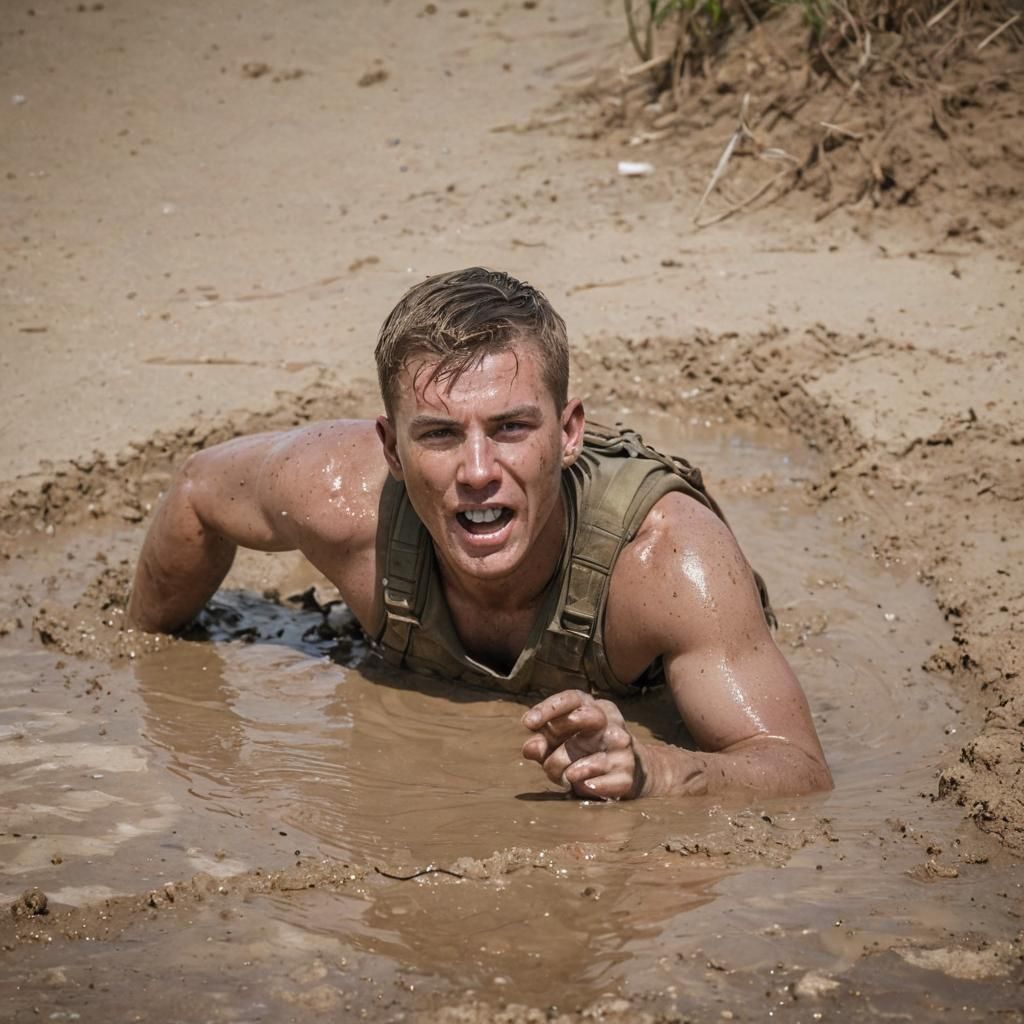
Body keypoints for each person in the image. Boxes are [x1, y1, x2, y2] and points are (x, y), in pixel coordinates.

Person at [126, 267, 832, 801]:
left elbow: (795, 768)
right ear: (392, 449)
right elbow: (197, 493)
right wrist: (141, 649)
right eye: (437, 434)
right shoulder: (337, 495)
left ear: (569, 433)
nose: (477, 471)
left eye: (512, 427)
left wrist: (653, 770)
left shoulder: (669, 561)